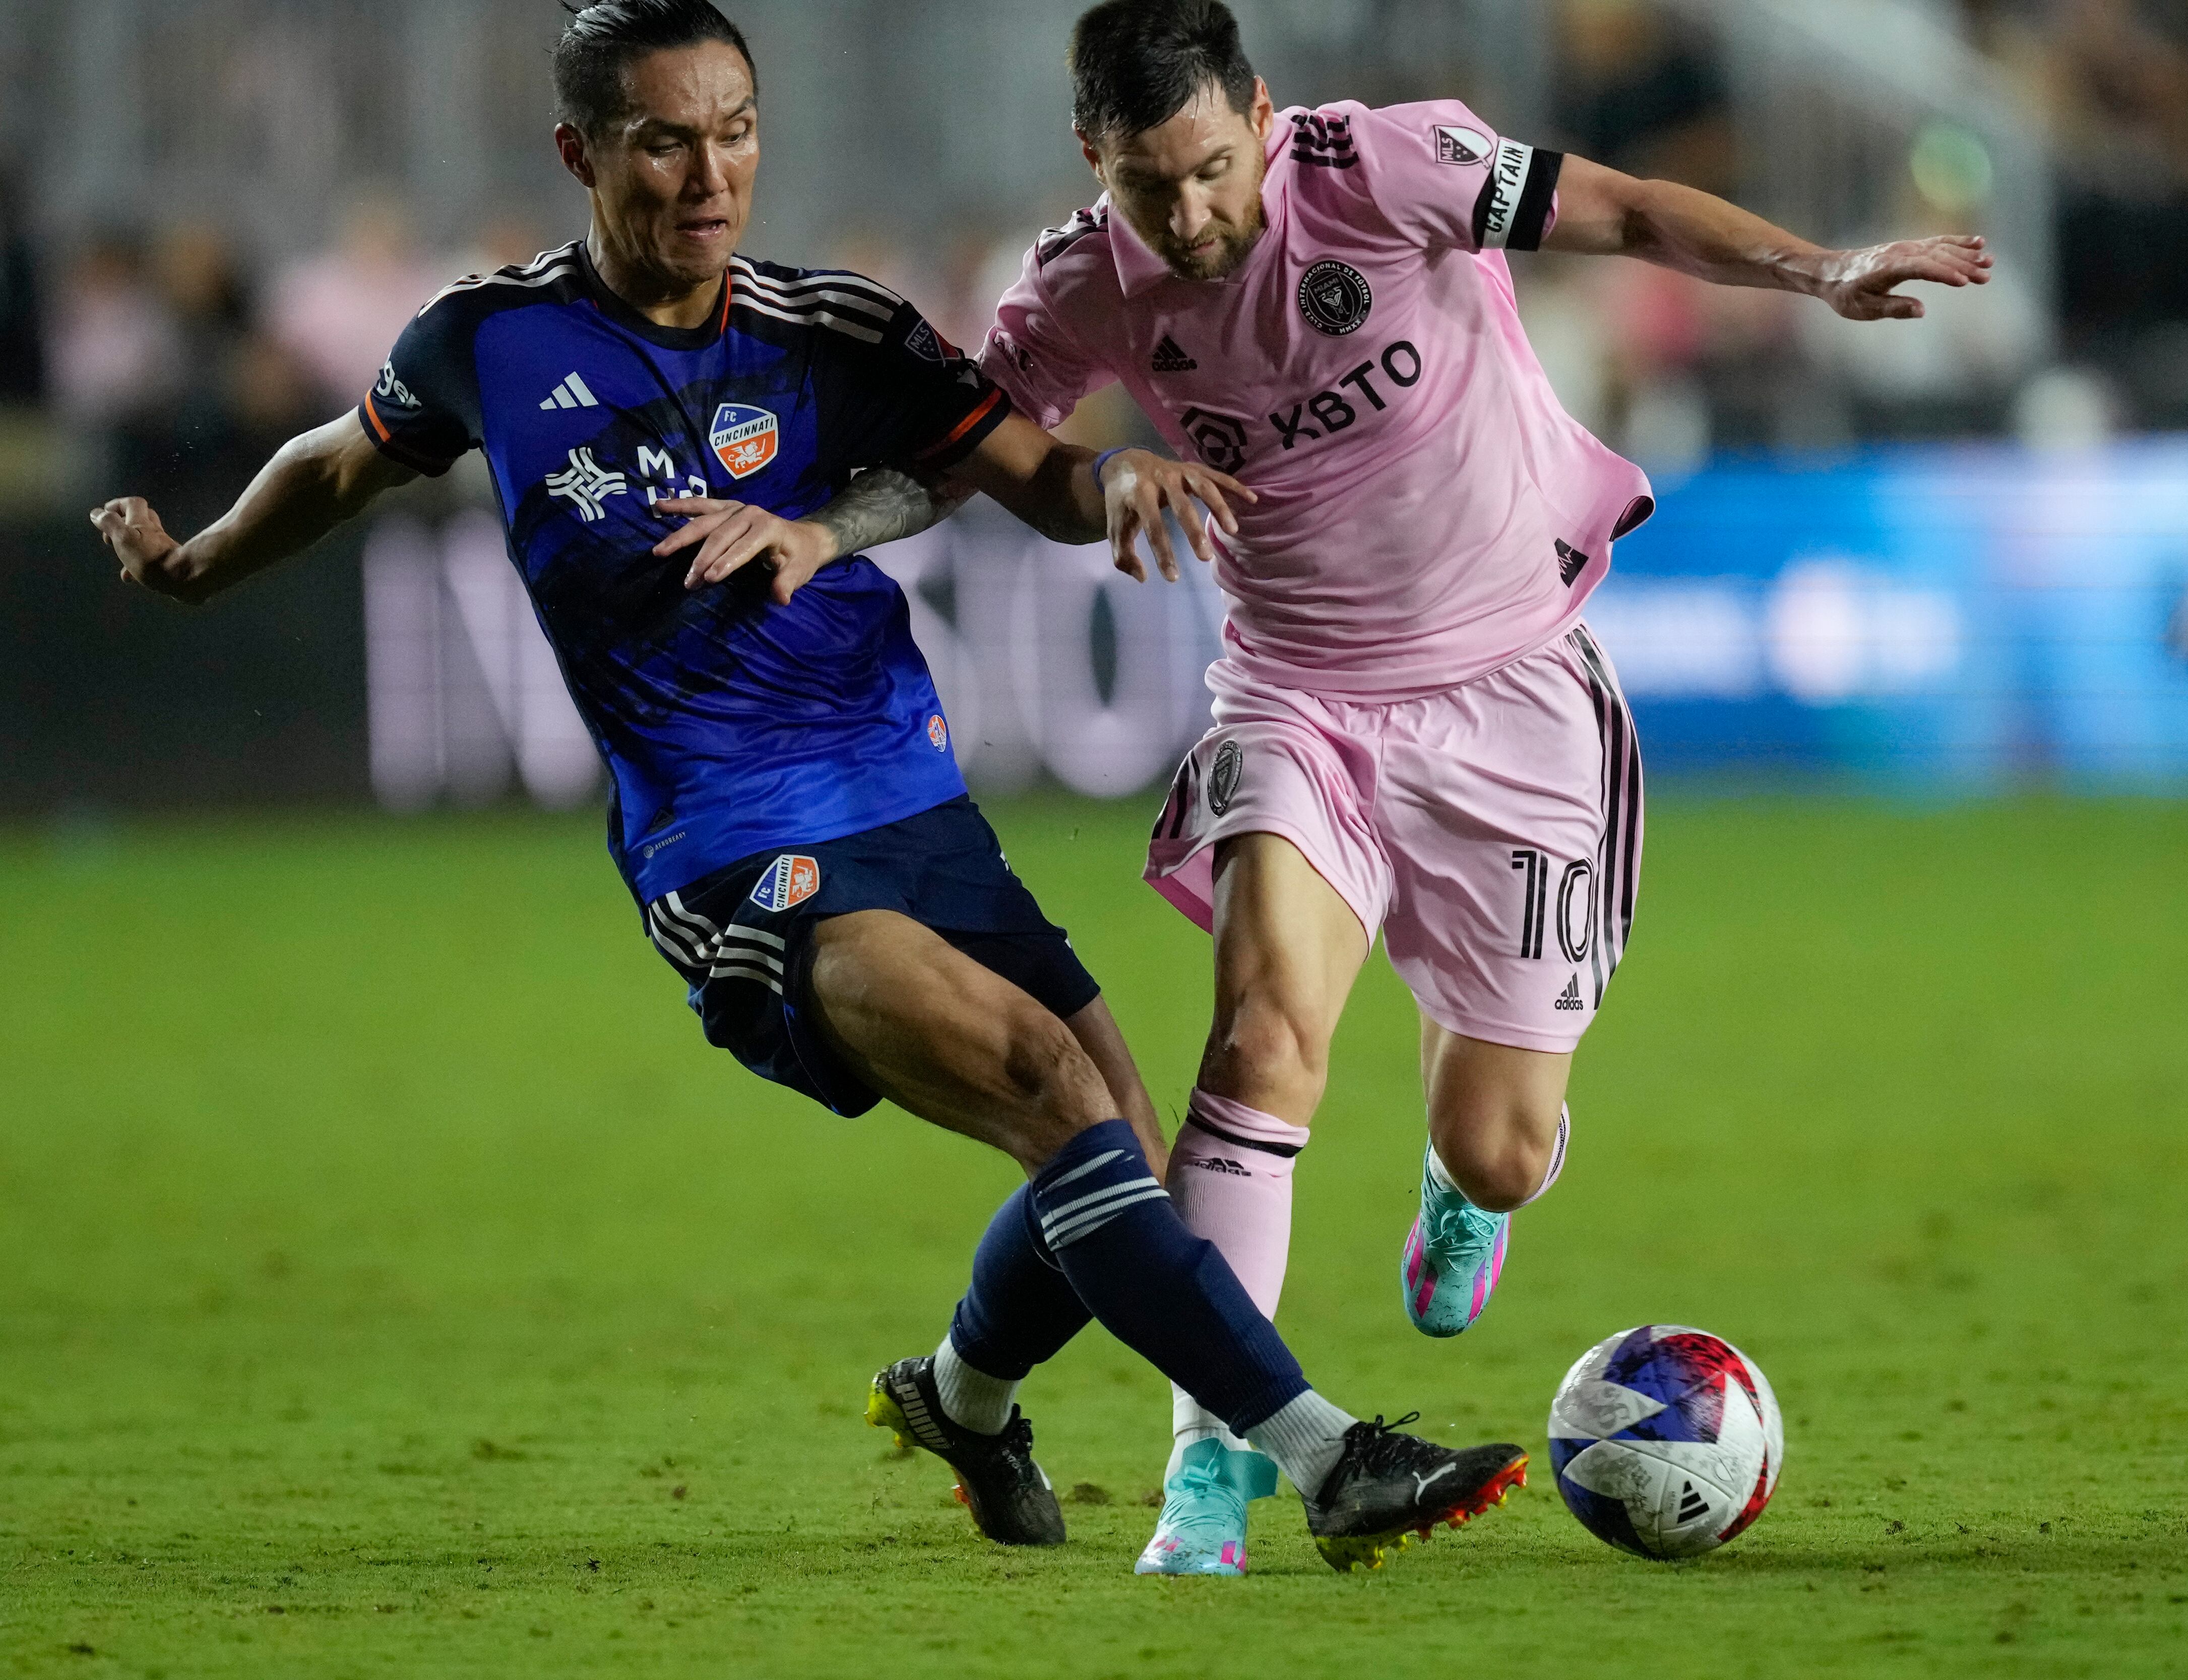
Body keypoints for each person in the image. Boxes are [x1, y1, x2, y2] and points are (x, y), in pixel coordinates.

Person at [88, 0, 1524, 1576]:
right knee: (1053, 1089)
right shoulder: (491, 340)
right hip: (731, 848)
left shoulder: (831, 328)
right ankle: (1325, 1456)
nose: (712, 176)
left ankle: (963, 1397)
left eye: (738, 131)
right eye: (665, 140)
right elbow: (340, 459)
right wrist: (202, 564)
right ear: (581, 152)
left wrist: (1113, 477)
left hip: (909, 800)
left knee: (1116, 1139)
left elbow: (1022, 465)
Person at [980, 0, 1986, 1576]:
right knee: (1256, 1043)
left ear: (1260, 111)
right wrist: (1095, 474)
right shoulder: (1083, 282)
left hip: (1514, 689)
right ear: (1091, 159)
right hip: (1299, 689)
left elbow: (1633, 211)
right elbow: (987, 435)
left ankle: (1471, 1189)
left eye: (1206, 169)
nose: (1186, 216)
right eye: (1142, 185)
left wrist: (1818, 268)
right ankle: (1213, 1467)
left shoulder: (1390, 168)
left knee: (1504, 1136)